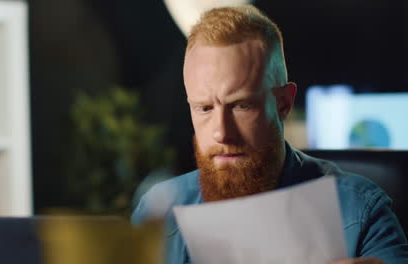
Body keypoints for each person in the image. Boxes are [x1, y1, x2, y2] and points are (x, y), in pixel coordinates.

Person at [132, 5, 408, 264]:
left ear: (284, 103)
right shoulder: (158, 210)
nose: (221, 133)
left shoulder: (360, 211)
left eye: (242, 105)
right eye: (204, 108)